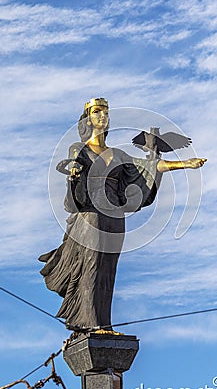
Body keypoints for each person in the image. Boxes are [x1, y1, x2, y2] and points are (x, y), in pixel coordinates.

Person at [39, 98, 206, 333]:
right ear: (87, 119)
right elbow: (74, 166)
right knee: (93, 264)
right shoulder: (79, 148)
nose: (102, 116)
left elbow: (146, 167)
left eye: (105, 112)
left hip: (114, 213)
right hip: (91, 213)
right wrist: (74, 172)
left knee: (108, 268)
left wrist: (184, 165)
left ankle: (103, 324)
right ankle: (89, 322)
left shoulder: (116, 154)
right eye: (97, 111)